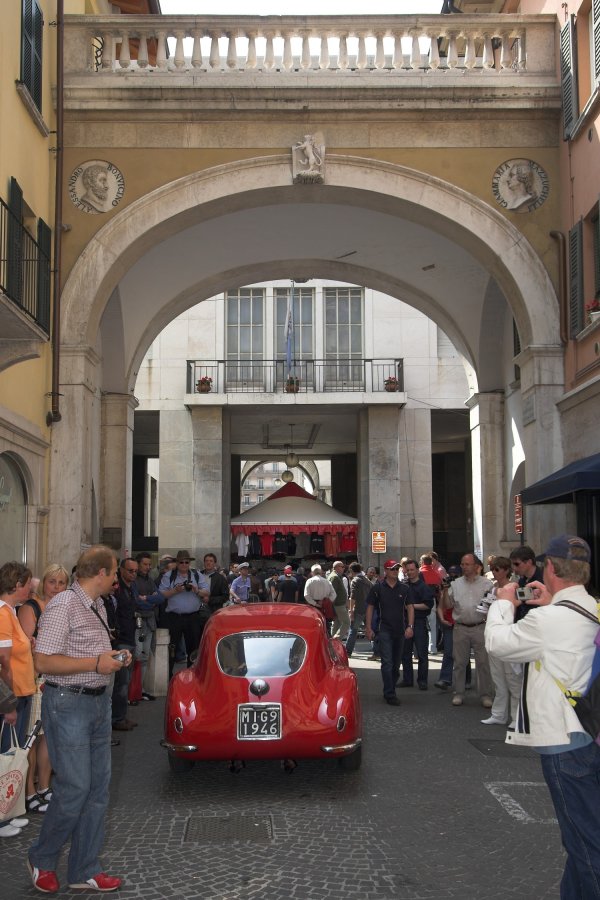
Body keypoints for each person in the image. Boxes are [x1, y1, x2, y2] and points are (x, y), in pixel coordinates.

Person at [485, 534, 600, 899]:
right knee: (583, 836)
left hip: (565, 742)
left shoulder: (549, 620)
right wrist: (552, 602)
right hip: (592, 732)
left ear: (549, 568)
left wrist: (504, 603)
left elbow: (499, 644)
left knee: (585, 843)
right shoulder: (594, 608)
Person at [28, 545, 130, 894]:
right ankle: (42, 858)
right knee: (74, 790)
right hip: (68, 704)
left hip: (97, 705)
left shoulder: (97, 605)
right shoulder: (63, 605)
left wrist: (114, 658)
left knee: (98, 791)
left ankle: (84, 868)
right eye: (114, 572)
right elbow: (42, 662)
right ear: (100, 572)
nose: (116, 579)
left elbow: (91, 654)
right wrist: (95, 664)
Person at [18, 564, 69, 814]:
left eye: (61, 583)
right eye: (52, 582)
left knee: (48, 736)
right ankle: (28, 791)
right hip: (36, 680)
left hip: (57, 679)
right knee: (32, 738)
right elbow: (26, 647)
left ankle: (44, 787)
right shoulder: (32, 608)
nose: (56, 588)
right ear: (43, 583)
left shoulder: (66, 608)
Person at [0, 561, 35, 838]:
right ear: (17, 584)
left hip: (22, 690)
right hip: (12, 696)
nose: (30, 588)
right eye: (27, 583)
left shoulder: (11, 611)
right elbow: (2, 662)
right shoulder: (2, 613)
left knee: (11, 754)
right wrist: (8, 703)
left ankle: (7, 811)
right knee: (5, 756)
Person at [441, 552, 494, 708]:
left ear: (476, 566)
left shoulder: (486, 584)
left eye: (467, 564)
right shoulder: (455, 584)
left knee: (483, 663)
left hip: (479, 626)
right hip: (461, 627)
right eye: (462, 564)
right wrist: (444, 591)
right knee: (459, 662)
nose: (464, 567)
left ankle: (485, 694)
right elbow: (448, 605)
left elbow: (492, 605)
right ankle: (459, 693)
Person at [479, 556, 522, 727]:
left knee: (512, 677)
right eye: (492, 569)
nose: (494, 572)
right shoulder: (492, 588)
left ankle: (516, 716)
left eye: (497, 569)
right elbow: (482, 609)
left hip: (510, 636)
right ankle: (498, 714)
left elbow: (519, 608)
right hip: (494, 635)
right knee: (498, 678)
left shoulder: (515, 587)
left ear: (506, 570)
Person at [365, 560, 413, 706]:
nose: (395, 570)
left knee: (396, 663)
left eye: (397, 568)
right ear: (385, 571)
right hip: (383, 629)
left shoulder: (404, 588)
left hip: (400, 630)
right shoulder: (377, 588)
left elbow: (410, 607)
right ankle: (389, 693)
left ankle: (390, 687)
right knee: (387, 662)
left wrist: (410, 626)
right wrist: (368, 627)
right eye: (392, 568)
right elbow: (370, 607)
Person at [158, 551, 210, 677]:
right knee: (172, 648)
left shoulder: (196, 575)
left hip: (193, 617)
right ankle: (169, 677)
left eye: (187, 562)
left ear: (189, 563)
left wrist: (196, 590)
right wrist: (175, 591)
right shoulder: (169, 576)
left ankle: (192, 675)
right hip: (174, 617)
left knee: (193, 649)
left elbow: (207, 592)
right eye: (181, 562)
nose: (184, 564)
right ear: (177, 563)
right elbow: (162, 594)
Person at [400, 560, 434, 690]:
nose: (409, 572)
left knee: (422, 654)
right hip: (404, 622)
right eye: (407, 570)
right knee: (405, 653)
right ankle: (407, 679)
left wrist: (411, 606)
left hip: (419, 622)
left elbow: (428, 605)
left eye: (412, 570)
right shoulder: (403, 586)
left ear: (417, 570)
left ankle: (422, 680)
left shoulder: (423, 587)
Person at [345, 562, 372, 657]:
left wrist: (350, 610)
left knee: (353, 630)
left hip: (358, 608)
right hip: (368, 608)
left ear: (352, 570)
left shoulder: (355, 580)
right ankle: (377, 651)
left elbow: (353, 596)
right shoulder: (367, 580)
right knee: (370, 629)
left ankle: (348, 651)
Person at [328, 561, 350, 641]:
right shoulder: (334, 577)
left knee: (337, 623)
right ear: (336, 567)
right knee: (346, 622)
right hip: (338, 605)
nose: (344, 568)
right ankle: (336, 639)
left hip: (338, 604)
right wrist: (331, 607)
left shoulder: (336, 576)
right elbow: (332, 593)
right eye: (342, 566)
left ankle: (332, 642)